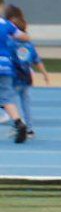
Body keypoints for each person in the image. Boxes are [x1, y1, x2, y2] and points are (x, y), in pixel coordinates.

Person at [5, 5, 49, 138]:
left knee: (12, 102)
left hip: (15, 77)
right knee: (26, 103)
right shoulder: (30, 45)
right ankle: (30, 128)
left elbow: (10, 59)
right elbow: (37, 60)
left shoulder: (11, 44)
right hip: (27, 78)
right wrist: (45, 74)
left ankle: (16, 126)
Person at [0, 8, 30, 143]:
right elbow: (25, 37)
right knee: (7, 97)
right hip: (5, 64)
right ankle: (19, 123)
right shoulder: (7, 25)